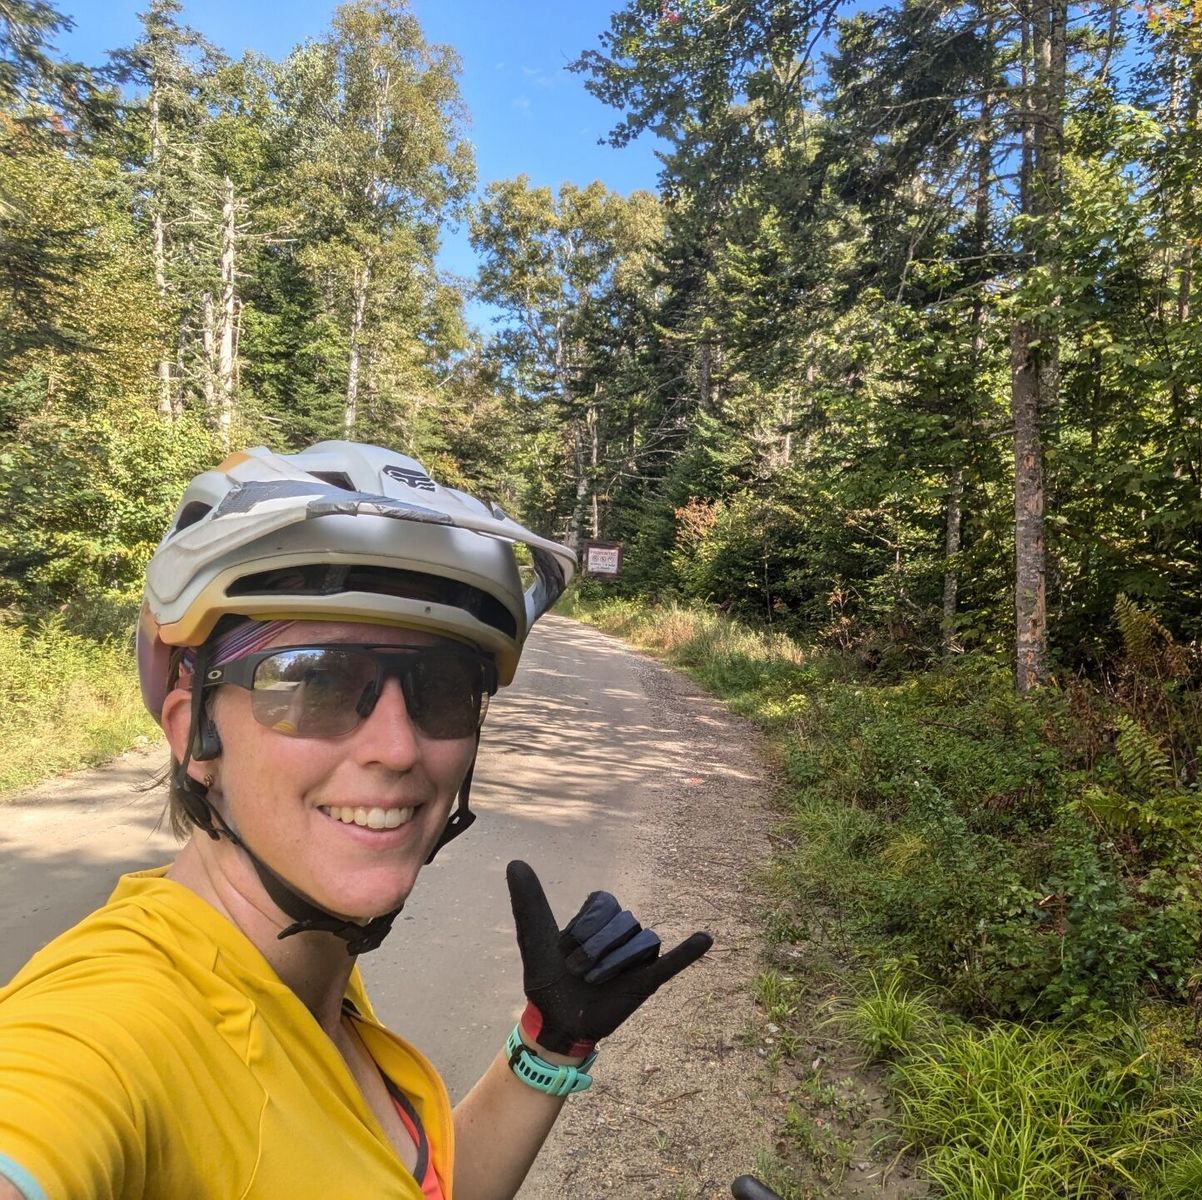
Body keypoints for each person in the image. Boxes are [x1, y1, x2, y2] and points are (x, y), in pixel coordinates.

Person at [0, 441, 712, 1200]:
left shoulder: (302, 970)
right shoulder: (111, 1028)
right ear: (194, 735)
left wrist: (549, 1046)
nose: (398, 748)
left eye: (442, 690)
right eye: (319, 684)